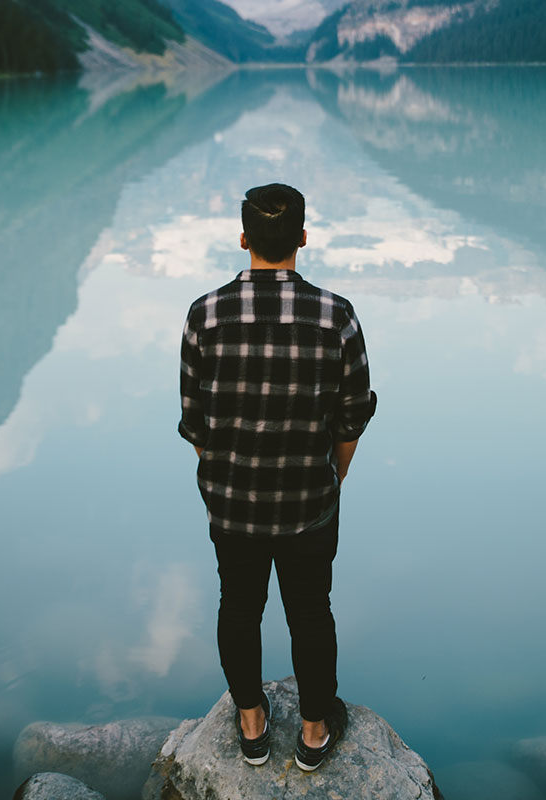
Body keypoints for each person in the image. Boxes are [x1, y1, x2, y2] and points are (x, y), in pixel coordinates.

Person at [178, 183, 377, 771]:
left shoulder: (203, 315)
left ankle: (252, 726)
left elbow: (196, 424)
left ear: (243, 240)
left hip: (232, 504)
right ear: (303, 240)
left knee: (237, 607)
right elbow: (352, 415)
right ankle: (314, 734)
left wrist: (223, 485)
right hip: (309, 503)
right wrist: (331, 482)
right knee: (311, 610)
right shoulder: (336, 316)